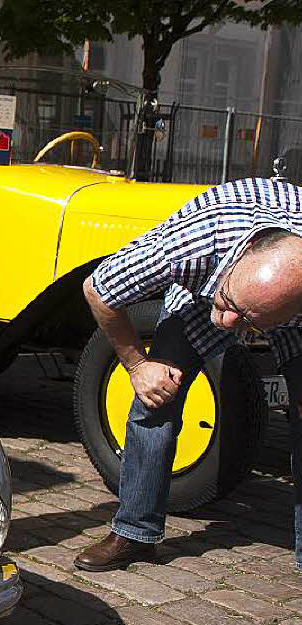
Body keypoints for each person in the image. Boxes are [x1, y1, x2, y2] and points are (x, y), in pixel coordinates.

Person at [73, 178, 302, 572]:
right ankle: (134, 531)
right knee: (156, 401)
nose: (230, 324)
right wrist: (138, 366)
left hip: (266, 298)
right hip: (202, 290)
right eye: (234, 306)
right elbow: (98, 288)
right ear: (241, 255)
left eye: (248, 323)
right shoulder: (192, 243)